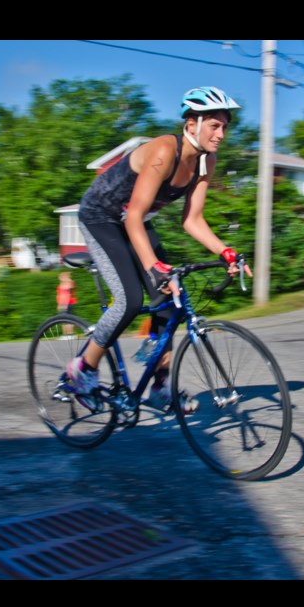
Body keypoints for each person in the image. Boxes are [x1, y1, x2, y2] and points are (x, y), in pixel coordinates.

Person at [66, 86, 251, 409]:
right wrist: (154, 265)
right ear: (191, 124)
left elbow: (192, 219)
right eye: (214, 125)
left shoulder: (207, 162)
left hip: (133, 220)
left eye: (225, 126)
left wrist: (226, 251)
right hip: (102, 217)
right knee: (130, 300)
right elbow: (133, 215)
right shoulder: (165, 151)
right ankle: (82, 370)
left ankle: (161, 386)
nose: (221, 134)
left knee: (171, 300)